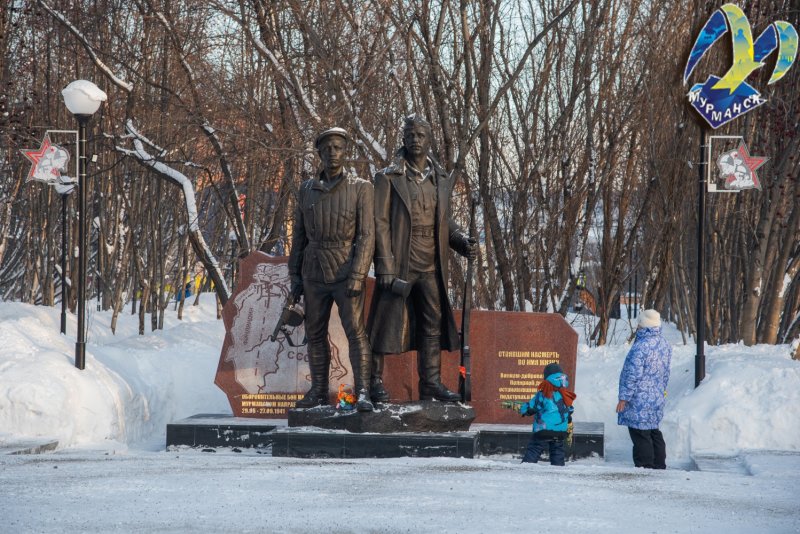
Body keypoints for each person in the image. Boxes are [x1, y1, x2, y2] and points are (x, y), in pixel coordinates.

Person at [367, 114, 476, 403]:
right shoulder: (388, 177)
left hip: (431, 263)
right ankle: (372, 382)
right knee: (384, 323)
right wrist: (385, 265)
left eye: (421, 135)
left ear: (429, 141)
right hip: (400, 261)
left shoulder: (440, 178)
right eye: (411, 135)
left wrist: (462, 242)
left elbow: (444, 221)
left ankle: (430, 384)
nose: (415, 140)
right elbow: (378, 223)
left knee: (432, 323)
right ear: (403, 139)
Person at [288, 127, 375, 412]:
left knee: (356, 332)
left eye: (338, 148)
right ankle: (317, 391)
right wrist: (295, 275)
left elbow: (366, 235)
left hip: (345, 269)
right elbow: (298, 236)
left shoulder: (360, 188)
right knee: (314, 333)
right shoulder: (306, 189)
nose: (332, 153)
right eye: (327, 149)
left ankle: (363, 392)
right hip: (313, 271)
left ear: (345, 151)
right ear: (320, 153)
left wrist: (359, 274)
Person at [616, 309, 672, 469]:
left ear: (643, 325)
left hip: (639, 398)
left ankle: (645, 467)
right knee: (653, 431)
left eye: (639, 323)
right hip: (656, 397)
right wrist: (661, 391)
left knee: (641, 433)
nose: (637, 326)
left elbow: (631, 375)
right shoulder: (664, 344)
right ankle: (659, 464)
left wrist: (624, 398)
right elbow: (666, 372)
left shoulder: (641, 347)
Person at [518, 362, 576, 466]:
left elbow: (532, 407)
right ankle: (558, 470)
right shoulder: (564, 393)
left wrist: (523, 409)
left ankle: (526, 468)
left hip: (543, 429)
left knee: (534, 449)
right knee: (557, 451)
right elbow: (570, 410)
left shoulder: (544, 393)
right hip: (560, 431)